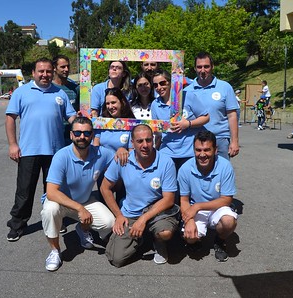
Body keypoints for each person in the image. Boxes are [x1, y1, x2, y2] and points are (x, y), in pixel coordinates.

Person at [5, 57, 77, 242]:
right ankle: (17, 225)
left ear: (52, 72)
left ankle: (55, 221)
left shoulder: (59, 93)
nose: (45, 75)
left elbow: (71, 117)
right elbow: (10, 118)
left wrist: (83, 126)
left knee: (53, 190)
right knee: (24, 191)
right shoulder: (21, 92)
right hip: (29, 151)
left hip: (55, 152)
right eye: (41, 71)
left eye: (48, 71)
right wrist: (13, 144)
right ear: (34, 73)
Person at [40, 117, 115, 272]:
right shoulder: (62, 156)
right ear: (71, 135)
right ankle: (55, 250)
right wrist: (80, 209)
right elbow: (51, 192)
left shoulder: (101, 153)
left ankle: (83, 229)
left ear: (92, 135)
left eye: (87, 133)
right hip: (60, 201)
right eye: (78, 133)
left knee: (109, 222)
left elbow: (119, 158)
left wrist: (121, 151)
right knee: (50, 210)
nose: (82, 136)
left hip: (84, 200)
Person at [101, 124, 179, 267]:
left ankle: (158, 241)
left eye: (148, 140)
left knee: (165, 232)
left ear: (153, 140)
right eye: (140, 141)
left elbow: (169, 199)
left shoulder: (166, 162)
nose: (145, 145)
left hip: (157, 211)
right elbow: (105, 188)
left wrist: (143, 219)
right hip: (130, 213)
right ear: (132, 143)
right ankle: (141, 238)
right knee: (116, 259)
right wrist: (118, 215)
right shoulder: (123, 159)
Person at [177, 130, 238, 262]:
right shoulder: (185, 169)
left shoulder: (225, 166)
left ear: (215, 150)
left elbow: (227, 199)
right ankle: (195, 241)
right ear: (193, 150)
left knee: (229, 222)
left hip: (218, 206)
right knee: (189, 236)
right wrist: (189, 221)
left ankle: (219, 240)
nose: (202, 154)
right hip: (195, 209)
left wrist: (198, 206)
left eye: (207, 150)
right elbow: (184, 200)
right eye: (198, 150)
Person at [184, 52, 240, 160]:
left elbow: (232, 116)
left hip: (220, 140)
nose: (203, 70)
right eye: (199, 67)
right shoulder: (186, 91)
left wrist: (234, 141)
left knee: (220, 174)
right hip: (196, 142)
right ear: (195, 68)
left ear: (212, 67)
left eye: (206, 66)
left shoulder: (225, 87)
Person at [151, 69, 209, 170]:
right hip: (167, 152)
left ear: (170, 83)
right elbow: (158, 134)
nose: (159, 87)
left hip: (189, 152)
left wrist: (188, 124)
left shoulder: (188, 96)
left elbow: (206, 117)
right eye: (155, 85)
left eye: (162, 83)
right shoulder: (155, 104)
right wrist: (155, 151)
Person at [52, 55, 80, 148]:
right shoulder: (49, 88)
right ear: (54, 68)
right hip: (53, 135)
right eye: (63, 67)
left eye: (68, 66)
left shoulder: (76, 88)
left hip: (72, 137)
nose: (66, 69)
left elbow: (81, 109)